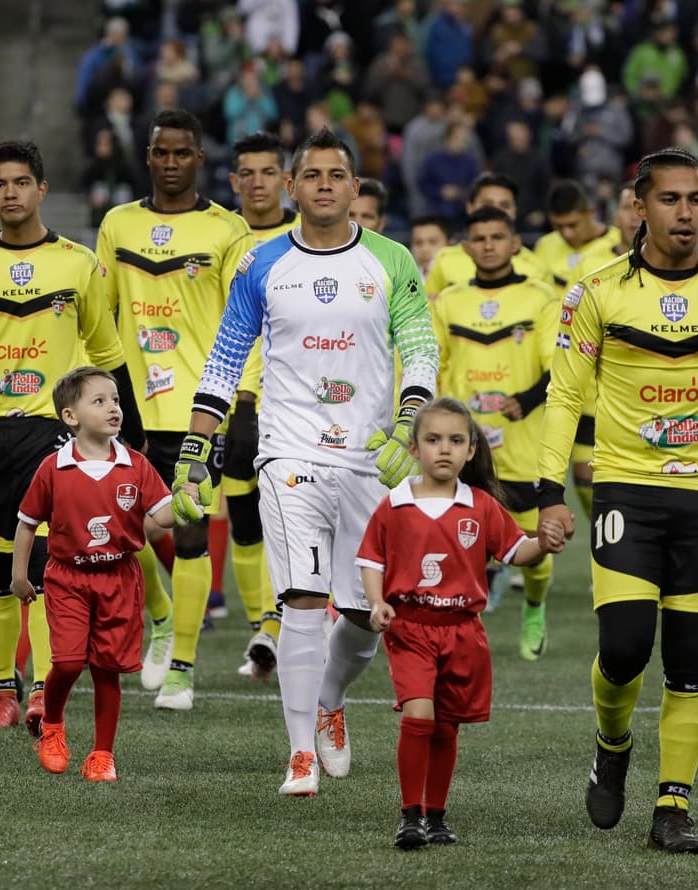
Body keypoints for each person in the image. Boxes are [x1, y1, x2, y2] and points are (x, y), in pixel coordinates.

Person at [175, 127, 440, 794]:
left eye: (336, 174)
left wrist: (408, 426)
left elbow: (421, 348)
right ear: (291, 188)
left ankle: (328, 699)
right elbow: (226, 357)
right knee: (302, 597)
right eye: (312, 174)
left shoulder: (392, 260)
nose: (324, 184)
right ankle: (299, 752)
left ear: (355, 188)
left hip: (369, 459)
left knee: (363, 616)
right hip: (286, 451)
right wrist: (194, 451)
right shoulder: (261, 264)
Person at [534, 147, 698, 853]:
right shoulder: (596, 293)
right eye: (669, 199)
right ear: (638, 206)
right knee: (623, 647)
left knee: (691, 658)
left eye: (695, 199)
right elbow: (564, 397)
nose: (684, 212)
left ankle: (673, 807)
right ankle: (613, 743)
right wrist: (551, 493)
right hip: (622, 486)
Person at [0, 140, 146, 734]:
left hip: (53, 435)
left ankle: (46, 691)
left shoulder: (77, 263)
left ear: (42, 189)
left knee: (46, 567)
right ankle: (2, 692)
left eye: (21, 182)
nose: (10, 193)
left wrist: (136, 434)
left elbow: (105, 347)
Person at [95, 109, 253, 711]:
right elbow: (101, 315)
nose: (170, 162)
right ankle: (159, 618)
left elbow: (246, 322)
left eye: (181, 153)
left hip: (198, 411)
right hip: (127, 405)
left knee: (190, 539)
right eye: (161, 152)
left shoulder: (227, 230)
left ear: (199, 160)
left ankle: (183, 667)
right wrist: (95, 392)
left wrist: (240, 401)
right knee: (113, 528)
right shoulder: (118, 224)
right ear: (148, 156)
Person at [357, 397, 562, 848]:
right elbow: (370, 559)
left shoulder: (482, 506)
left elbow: (516, 553)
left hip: (463, 631)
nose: (443, 449)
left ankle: (436, 815)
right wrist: (377, 602)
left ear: (472, 450)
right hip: (411, 628)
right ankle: (410, 815)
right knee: (419, 715)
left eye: (455, 440)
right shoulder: (395, 504)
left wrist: (543, 545)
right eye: (432, 440)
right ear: (414, 449)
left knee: (447, 726)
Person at [12, 367, 180, 782]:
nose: (113, 408)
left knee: (107, 670)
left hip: (119, 579)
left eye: (116, 400)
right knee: (67, 664)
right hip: (67, 578)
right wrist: (19, 575)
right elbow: (27, 523)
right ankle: (52, 726)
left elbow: (164, 516)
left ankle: (102, 755)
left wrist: (189, 502)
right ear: (71, 417)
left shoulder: (137, 465)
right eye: (99, 401)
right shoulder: (53, 468)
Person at [433, 206, 560, 660]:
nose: (488, 245)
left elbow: (558, 366)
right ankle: (462, 629)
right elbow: (435, 365)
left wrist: (525, 400)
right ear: (466, 248)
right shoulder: (448, 302)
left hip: (525, 442)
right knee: (462, 538)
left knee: (537, 544)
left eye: (497, 237)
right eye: (479, 238)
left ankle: (534, 604)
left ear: (514, 244)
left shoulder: (541, 299)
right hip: (466, 446)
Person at [226, 130, 300, 680]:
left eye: (267, 172)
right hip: (224, 395)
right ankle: (265, 628)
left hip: (288, 401)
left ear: (286, 181)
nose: (257, 183)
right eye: (246, 173)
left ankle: (286, 626)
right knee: (242, 519)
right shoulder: (221, 236)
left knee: (290, 519)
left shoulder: (309, 238)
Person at [533, 179, 622, 525]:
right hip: (545, 374)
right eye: (559, 226)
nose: (567, 233)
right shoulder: (544, 247)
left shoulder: (616, 246)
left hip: (594, 381)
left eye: (573, 224)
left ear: (590, 212)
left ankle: (606, 545)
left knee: (588, 479)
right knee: (525, 472)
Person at [424, 173, 550, 300]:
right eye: (488, 204)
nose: (496, 211)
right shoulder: (444, 260)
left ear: (515, 211)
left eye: (504, 206)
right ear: (469, 207)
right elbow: (428, 310)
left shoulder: (538, 269)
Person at [409, 214, 447, 284]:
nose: (425, 249)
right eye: (418, 243)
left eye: (433, 242)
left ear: (449, 243)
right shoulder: (404, 282)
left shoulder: (461, 279)